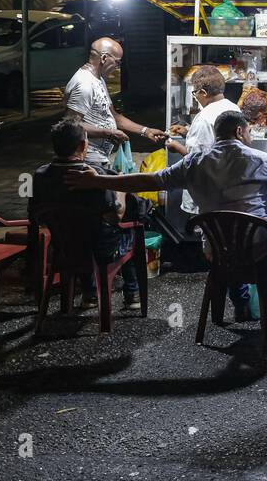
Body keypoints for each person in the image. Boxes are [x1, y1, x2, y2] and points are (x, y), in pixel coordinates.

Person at [67, 110, 267, 322]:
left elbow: (148, 180)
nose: (250, 136)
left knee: (232, 247)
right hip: (258, 248)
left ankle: (241, 304)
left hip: (216, 250)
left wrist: (98, 180)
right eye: (249, 131)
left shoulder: (194, 162)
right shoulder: (261, 160)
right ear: (240, 130)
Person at [30, 117, 140, 309]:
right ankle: (132, 293)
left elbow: (34, 213)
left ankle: (90, 294)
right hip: (102, 250)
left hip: (63, 247)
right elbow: (117, 215)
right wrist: (121, 187)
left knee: (78, 229)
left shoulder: (39, 176)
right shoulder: (98, 176)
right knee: (130, 227)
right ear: (82, 145)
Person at [64, 37, 167, 169]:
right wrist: (108, 133)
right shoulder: (85, 84)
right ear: (104, 58)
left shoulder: (97, 79)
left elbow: (114, 116)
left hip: (98, 157)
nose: (117, 67)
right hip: (86, 159)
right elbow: (70, 125)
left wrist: (145, 131)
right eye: (117, 62)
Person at [167, 67, 241, 222]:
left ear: (203, 93)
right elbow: (220, 142)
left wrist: (176, 147)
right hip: (230, 188)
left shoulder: (203, 118)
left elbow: (198, 159)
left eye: (195, 93)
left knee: (209, 237)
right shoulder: (234, 108)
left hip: (207, 194)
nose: (195, 97)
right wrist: (188, 133)